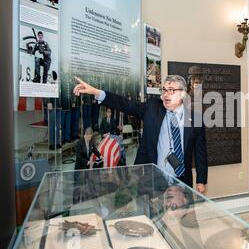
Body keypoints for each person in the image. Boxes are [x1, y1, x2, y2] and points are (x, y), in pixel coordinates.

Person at [73, 75, 208, 194]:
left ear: (183, 94)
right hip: (153, 180)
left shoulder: (195, 119)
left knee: (180, 221)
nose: (166, 95)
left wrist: (201, 180)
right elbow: (126, 104)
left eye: (171, 90)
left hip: (181, 182)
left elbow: (200, 153)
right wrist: (97, 92)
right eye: (164, 90)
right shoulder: (153, 108)